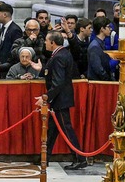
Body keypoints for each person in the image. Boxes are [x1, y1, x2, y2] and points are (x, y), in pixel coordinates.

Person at [33, 31, 87, 170]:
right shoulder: (62, 53)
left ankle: (79, 158)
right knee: (52, 130)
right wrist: (42, 69)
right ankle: (45, 156)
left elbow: (58, 82)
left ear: (53, 42)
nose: (45, 42)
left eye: (46, 40)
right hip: (60, 98)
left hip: (60, 99)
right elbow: (53, 74)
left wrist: (45, 97)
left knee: (66, 129)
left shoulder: (59, 57)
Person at [87, 16, 114, 81]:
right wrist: (107, 79)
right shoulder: (95, 46)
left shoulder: (100, 43)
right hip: (98, 84)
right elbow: (98, 68)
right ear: (102, 29)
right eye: (108, 27)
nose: (110, 29)